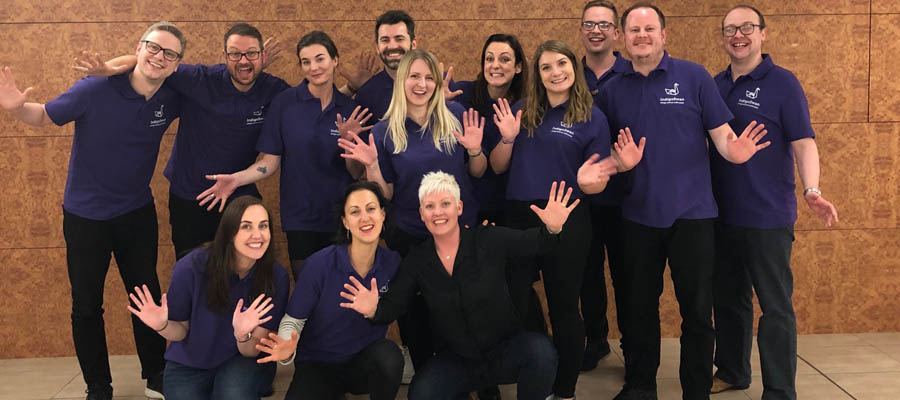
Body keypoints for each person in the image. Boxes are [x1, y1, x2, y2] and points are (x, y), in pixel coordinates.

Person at [0, 21, 186, 400]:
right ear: (139, 46)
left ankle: (156, 375)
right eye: (153, 47)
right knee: (86, 303)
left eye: (169, 53)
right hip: (85, 218)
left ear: (176, 64)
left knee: (146, 294)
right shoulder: (94, 88)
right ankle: (98, 387)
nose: (158, 57)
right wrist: (17, 110)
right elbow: (43, 115)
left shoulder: (173, 95)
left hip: (136, 213)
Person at [594, 4, 771, 399]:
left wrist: (734, 150)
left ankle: (695, 389)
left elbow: (722, 133)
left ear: (664, 35)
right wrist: (613, 162)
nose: (642, 36)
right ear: (622, 37)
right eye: (634, 30)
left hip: (693, 215)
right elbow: (603, 149)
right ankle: (640, 385)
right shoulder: (610, 90)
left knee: (696, 311)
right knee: (639, 310)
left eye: (649, 29)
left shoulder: (693, 77)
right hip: (637, 216)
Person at [340, 172, 586, 400]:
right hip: (458, 361)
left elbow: (537, 243)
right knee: (421, 394)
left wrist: (553, 229)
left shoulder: (489, 239)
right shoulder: (417, 261)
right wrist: (373, 309)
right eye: (430, 206)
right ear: (422, 214)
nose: (438, 213)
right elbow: (393, 305)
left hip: (505, 351)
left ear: (459, 208)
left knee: (541, 353)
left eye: (445, 204)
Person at [489, 39, 637, 400]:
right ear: (537, 75)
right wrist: (507, 139)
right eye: (546, 67)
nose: (555, 73)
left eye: (562, 65)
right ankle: (530, 369)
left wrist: (595, 181)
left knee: (564, 305)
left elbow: (596, 178)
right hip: (520, 217)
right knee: (511, 300)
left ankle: (564, 390)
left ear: (574, 68)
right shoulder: (521, 111)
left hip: (568, 215)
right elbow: (495, 167)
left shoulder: (592, 116)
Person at [73, 23, 290, 261]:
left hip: (239, 193)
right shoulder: (200, 79)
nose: (243, 60)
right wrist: (107, 69)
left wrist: (340, 91)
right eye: (235, 54)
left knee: (246, 267)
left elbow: (308, 101)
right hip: (189, 195)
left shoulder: (274, 90)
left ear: (263, 56)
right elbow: (146, 61)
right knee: (192, 270)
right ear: (225, 56)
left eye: (252, 54)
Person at [709, 6, 838, 399]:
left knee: (775, 306)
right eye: (730, 29)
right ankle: (732, 370)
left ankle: (780, 389)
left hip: (767, 215)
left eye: (747, 27)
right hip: (719, 215)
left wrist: (811, 190)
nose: (738, 35)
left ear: (763, 34)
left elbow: (803, 142)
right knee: (729, 300)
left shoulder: (783, 83)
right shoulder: (713, 84)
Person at [339, 48, 486, 377]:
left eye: (429, 77)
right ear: (402, 81)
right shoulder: (384, 131)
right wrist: (373, 164)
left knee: (466, 309)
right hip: (412, 237)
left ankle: (477, 376)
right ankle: (428, 377)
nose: (421, 84)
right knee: (418, 313)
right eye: (414, 76)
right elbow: (386, 193)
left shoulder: (457, 114)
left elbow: (477, 172)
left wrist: (476, 149)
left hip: (462, 233)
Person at [199, 30, 372, 280]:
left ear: (335, 60)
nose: (314, 67)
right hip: (299, 218)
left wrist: (349, 145)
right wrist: (237, 179)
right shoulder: (285, 104)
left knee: (343, 293)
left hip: (344, 217)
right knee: (308, 292)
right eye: (306, 61)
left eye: (320, 58)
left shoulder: (352, 110)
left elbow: (356, 173)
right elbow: (269, 162)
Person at [127, 196, 290, 399]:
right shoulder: (191, 267)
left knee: (233, 395)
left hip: (240, 358)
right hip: (191, 361)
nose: (257, 235)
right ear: (229, 232)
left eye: (263, 226)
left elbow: (251, 350)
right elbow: (180, 332)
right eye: (246, 227)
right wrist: (161, 325)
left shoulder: (276, 277)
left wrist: (242, 334)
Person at [254, 181, 403, 400]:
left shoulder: (393, 263)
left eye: (371, 209)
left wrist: (374, 310)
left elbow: (400, 306)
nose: (364, 218)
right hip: (319, 364)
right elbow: (293, 320)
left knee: (390, 357)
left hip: (362, 363)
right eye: (355, 212)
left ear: (382, 214)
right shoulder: (320, 264)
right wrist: (286, 350)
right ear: (345, 222)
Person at [577, 0, 632, 372]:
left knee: (629, 278)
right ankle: (596, 341)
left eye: (604, 24)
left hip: (629, 197)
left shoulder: (635, 72)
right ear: (581, 31)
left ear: (616, 33)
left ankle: (633, 347)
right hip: (581, 197)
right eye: (589, 24)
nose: (596, 30)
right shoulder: (567, 73)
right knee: (587, 275)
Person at [449, 33, 526, 223]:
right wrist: (439, 104)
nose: (495, 65)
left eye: (505, 59)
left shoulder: (526, 104)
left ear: (518, 67)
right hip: (467, 201)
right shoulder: (461, 94)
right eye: (489, 58)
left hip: (510, 202)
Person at [352, 10, 418, 120]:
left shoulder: (437, 84)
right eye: (385, 40)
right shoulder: (366, 95)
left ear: (413, 44)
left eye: (399, 39)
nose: (392, 46)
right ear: (377, 47)